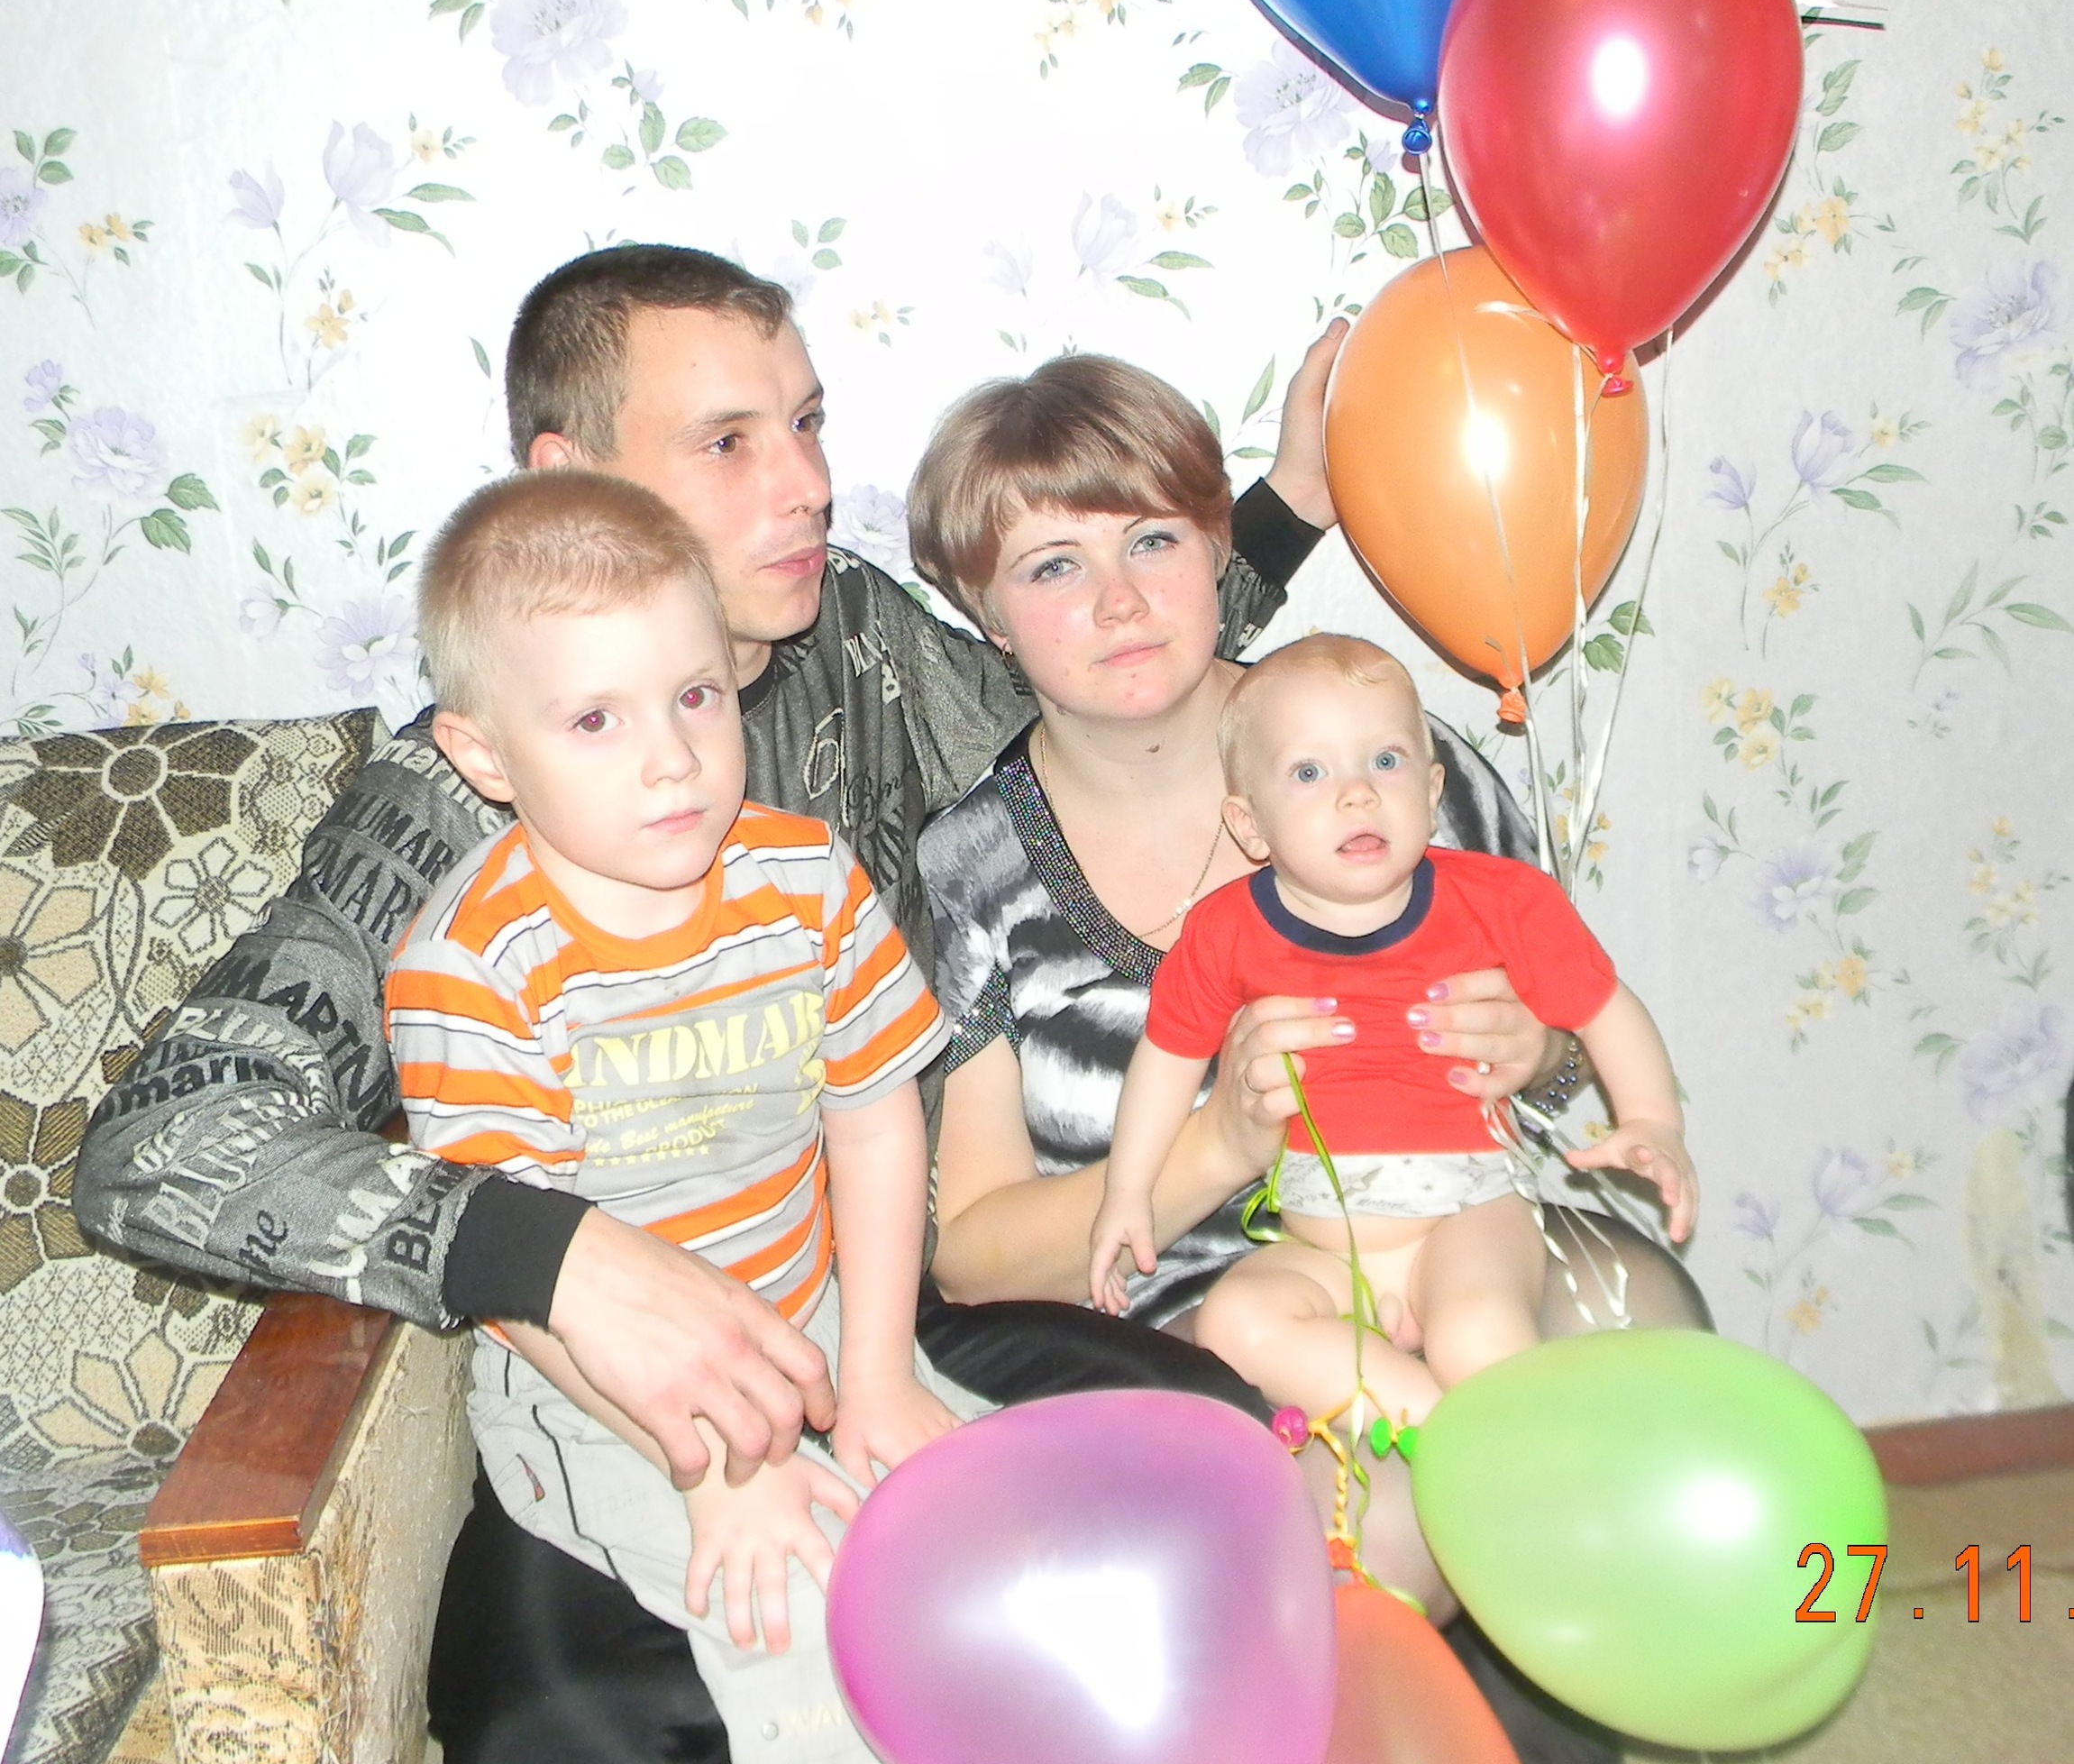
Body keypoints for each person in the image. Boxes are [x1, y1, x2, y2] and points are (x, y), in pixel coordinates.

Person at [75, 242, 1366, 1761]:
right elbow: (160, 1144)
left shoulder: (850, 635)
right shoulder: (452, 803)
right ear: (574, 479)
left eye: (806, 424)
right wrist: (550, 1255)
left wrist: (1288, 504)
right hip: (606, 1394)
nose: (808, 485)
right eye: (730, 443)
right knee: (560, 1722)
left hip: (880, 1310)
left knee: (1207, 1472)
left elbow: (1085, 659)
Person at [908, 355, 1711, 1763]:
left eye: (1152, 540)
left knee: (1645, 1324)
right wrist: (1215, 1143)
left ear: (1218, 545)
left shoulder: (1392, 756)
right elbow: (971, 1258)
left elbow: (1568, 1032)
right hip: (1191, 1318)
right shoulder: (966, 868)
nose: (1118, 601)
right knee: (1381, 1528)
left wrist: (1528, 1052)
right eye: (1051, 566)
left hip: (1453, 1225)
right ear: (982, 610)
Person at [388, 471, 968, 1759]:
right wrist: (722, 1468)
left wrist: (879, 1371)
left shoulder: (804, 877)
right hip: (595, 1393)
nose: (672, 758)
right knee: (803, 1621)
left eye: (696, 696)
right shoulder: (474, 964)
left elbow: (875, 1116)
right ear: (484, 754)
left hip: (810, 1315)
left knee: (978, 1538)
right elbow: (519, 1277)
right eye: (596, 718)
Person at [1090, 634, 1695, 1435]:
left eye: (1385, 761)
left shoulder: (1501, 900)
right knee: (1236, 1321)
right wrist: (1127, 1191)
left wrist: (1652, 1120)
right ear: (1250, 823)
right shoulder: (1224, 931)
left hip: (1468, 1216)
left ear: (1432, 788)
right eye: (1309, 773)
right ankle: (1444, 1432)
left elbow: (1604, 1006)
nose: (1357, 795)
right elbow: (1167, 1058)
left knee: (1476, 1332)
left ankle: (1496, 1438)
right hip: (1325, 1249)